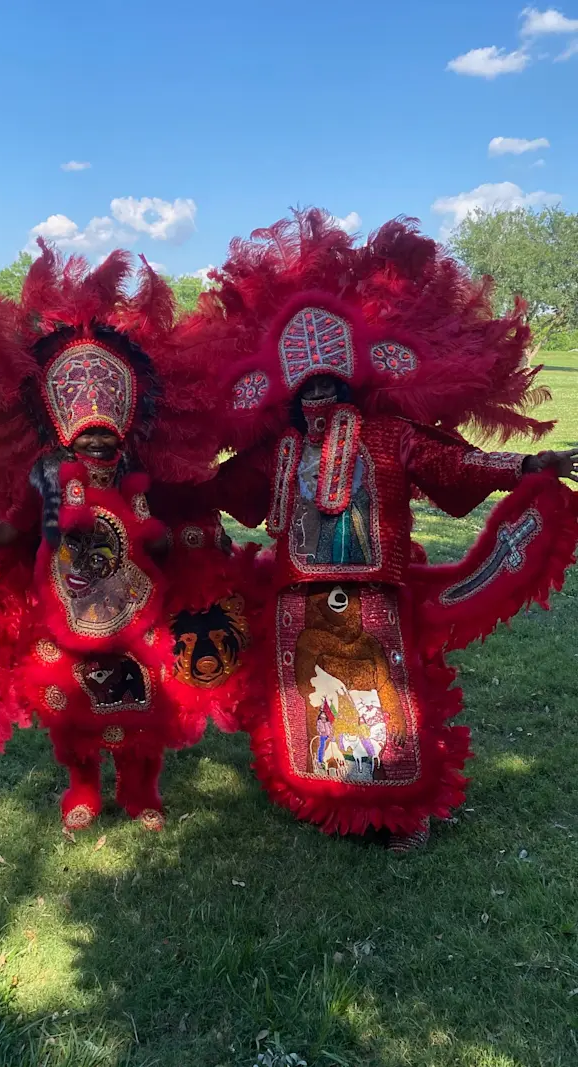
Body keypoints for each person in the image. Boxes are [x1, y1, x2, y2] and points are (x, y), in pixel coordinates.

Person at [197, 210, 578, 850]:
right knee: (314, 700)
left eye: (329, 379)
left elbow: (454, 462)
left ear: (353, 375)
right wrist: (155, 486)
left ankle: (397, 810)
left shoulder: (389, 434)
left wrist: (529, 466)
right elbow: (220, 489)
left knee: (385, 697)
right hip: (300, 599)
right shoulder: (279, 448)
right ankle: (326, 799)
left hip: (376, 595)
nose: (319, 390)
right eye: (307, 381)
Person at [0, 245, 255, 831]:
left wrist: (193, 540)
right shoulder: (43, 475)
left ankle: (141, 791)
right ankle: (82, 789)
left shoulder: (138, 477)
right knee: (68, 706)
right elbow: (19, 528)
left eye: (106, 436)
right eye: (85, 437)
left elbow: (159, 538)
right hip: (62, 615)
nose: (96, 445)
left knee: (141, 704)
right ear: (60, 429)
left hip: (132, 612)